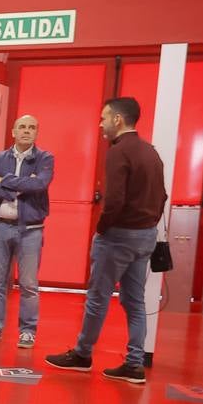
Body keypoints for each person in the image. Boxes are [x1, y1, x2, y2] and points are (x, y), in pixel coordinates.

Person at [46, 97, 167, 383]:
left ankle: (82, 354)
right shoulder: (151, 152)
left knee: (98, 298)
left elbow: (114, 201)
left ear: (118, 120)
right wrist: (148, 223)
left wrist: (102, 229)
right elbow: (162, 196)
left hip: (119, 237)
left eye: (103, 118)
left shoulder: (118, 152)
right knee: (135, 301)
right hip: (146, 235)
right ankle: (135, 364)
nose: (100, 124)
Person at [0, 115, 53, 348]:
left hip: (30, 231)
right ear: (14, 131)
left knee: (28, 284)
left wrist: (4, 181)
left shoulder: (45, 158)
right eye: (23, 127)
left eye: (32, 127)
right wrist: (18, 186)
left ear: (37, 132)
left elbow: (40, 185)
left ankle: (27, 331)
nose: (27, 131)